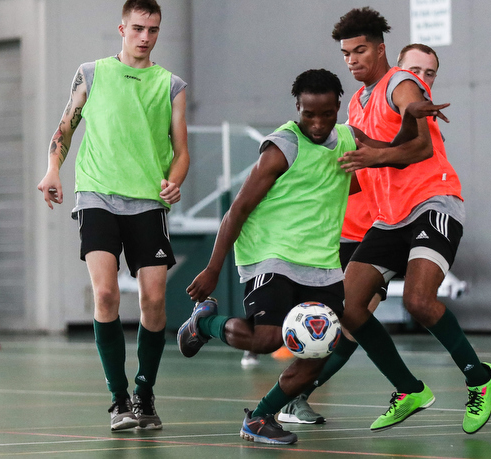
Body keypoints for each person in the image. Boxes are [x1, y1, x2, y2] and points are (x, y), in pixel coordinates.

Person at [178, 69, 445, 445]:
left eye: (326, 114)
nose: (317, 123)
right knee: (268, 339)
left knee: (319, 350)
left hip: (321, 264)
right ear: (297, 109)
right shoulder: (282, 147)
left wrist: (411, 116)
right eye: (308, 114)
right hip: (272, 255)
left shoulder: (349, 139)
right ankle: (203, 325)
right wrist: (211, 268)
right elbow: (237, 210)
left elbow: (396, 155)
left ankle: (260, 418)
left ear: (339, 107)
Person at [326, 7, 491, 435]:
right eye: (346, 54)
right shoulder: (357, 101)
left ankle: (480, 377)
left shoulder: (401, 83)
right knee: (348, 309)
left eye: (360, 50)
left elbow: (420, 143)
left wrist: (411, 114)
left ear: (381, 49)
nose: (351, 60)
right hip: (388, 219)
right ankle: (409, 390)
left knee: (420, 302)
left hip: (433, 202)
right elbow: (363, 155)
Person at [278, 41, 451, 426]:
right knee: (328, 323)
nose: (421, 79)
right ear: (397, 70)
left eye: (430, 73)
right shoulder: (363, 109)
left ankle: (299, 393)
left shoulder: (421, 128)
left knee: (353, 324)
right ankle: (291, 393)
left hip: (380, 233)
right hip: (344, 236)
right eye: (415, 71)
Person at [36, 0, 189, 431]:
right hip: (96, 196)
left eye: (153, 30)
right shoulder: (91, 73)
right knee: (105, 295)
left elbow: (181, 152)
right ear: (122, 28)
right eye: (138, 28)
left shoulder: (171, 85)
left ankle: (144, 392)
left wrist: (174, 180)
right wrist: (52, 169)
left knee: (154, 301)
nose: (145, 37)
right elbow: (65, 127)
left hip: (147, 202)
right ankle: (118, 399)